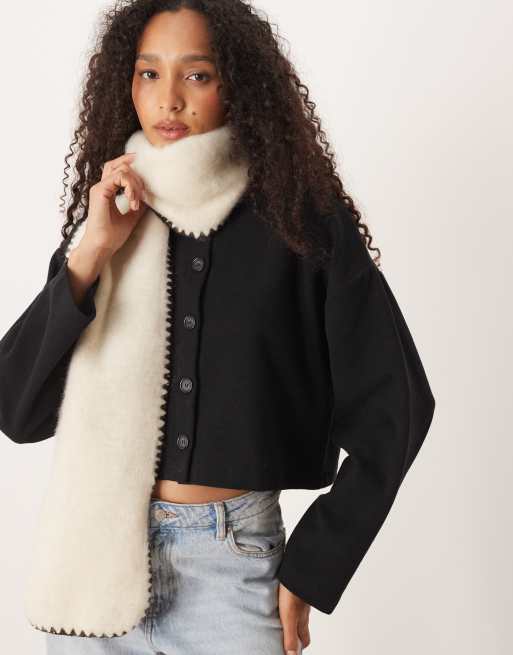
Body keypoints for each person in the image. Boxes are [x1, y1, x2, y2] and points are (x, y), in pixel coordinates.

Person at [0, 1, 435, 654]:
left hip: (232, 571)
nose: (168, 98)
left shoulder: (299, 222)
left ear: (237, 82)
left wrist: (314, 567)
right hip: (92, 568)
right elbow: (17, 410)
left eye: (196, 75)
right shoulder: (110, 220)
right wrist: (90, 254)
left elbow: (397, 408)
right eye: (149, 73)